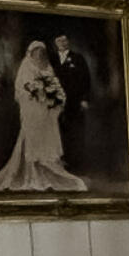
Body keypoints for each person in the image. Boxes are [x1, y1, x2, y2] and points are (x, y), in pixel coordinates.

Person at [0, 41, 87, 194]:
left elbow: (56, 89)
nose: (39, 56)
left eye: (41, 53)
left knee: (46, 141)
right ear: (31, 53)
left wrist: (55, 99)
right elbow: (22, 90)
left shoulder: (47, 68)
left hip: (46, 115)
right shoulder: (27, 68)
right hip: (32, 113)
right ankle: (31, 176)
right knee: (32, 142)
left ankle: (47, 175)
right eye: (36, 53)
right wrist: (38, 93)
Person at [51, 32, 94, 177]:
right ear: (55, 42)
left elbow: (86, 79)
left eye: (64, 39)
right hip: (56, 102)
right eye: (59, 40)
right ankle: (61, 165)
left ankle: (78, 165)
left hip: (75, 102)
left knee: (76, 132)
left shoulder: (78, 58)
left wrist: (85, 99)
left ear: (68, 41)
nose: (62, 42)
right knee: (59, 132)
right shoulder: (52, 59)